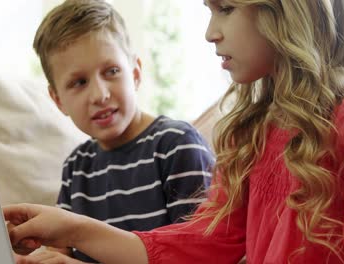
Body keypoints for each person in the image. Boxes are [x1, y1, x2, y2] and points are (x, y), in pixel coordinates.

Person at [3, 0, 344, 263]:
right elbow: (201, 241)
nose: (210, 32)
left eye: (225, 8)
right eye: (78, 82)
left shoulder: (342, 127)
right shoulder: (249, 136)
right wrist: (67, 227)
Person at [17, 0, 215, 262]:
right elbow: (60, 250)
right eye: (79, 82)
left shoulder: (177, 145)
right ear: (58, 100)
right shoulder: (76, 167)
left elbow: (198, 255)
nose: (100, 94)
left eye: (111, 71)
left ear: (135, 73)